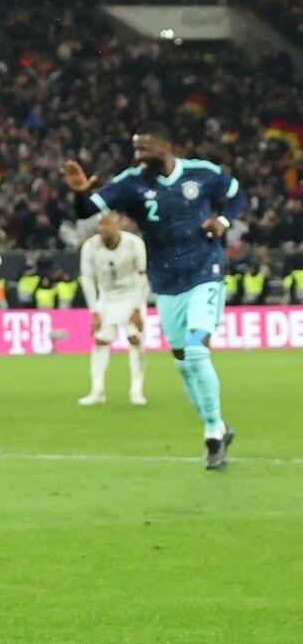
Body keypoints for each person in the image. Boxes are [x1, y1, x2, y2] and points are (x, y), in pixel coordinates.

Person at [61, 125, 246, 468]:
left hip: (205, 272)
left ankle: (212, 433)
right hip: (166, 282)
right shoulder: (131, 182)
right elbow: (85, 211)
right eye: (136, 149)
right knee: (183, 362)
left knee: (196, 349)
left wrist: (223, 219)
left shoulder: (202, 173)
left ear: (165, 145)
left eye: (145, 148)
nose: (139, 155)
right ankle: (219, 425)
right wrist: (79, 193)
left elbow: (237, 194)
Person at [77, 210, 149, 406]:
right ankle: (97, 390)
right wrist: (94, 311)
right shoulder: (90, 247)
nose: (104, 230)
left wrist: (137, 308)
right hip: (107, 297)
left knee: (134, 338)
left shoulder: (134, 243)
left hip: (131, 294)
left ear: (118, 226)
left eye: (108, 225)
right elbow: (87, 279)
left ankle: (136, 390)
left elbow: (142, 277)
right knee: (100, 341)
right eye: (101, 226)